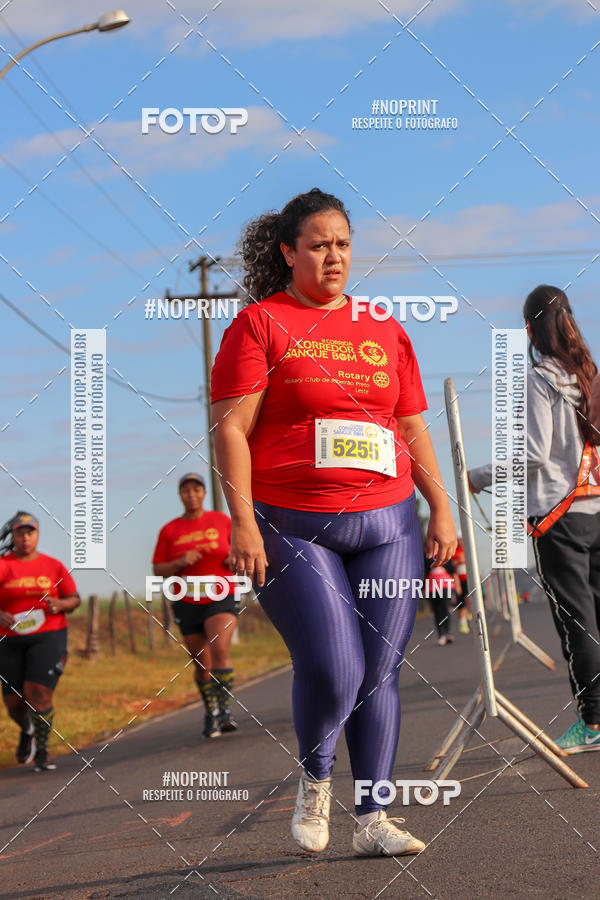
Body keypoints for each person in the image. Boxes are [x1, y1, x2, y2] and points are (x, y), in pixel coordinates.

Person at [211, 188, 456, 856]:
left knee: (381, 673)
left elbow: (410, 426)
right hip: (293, 524)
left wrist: (441, 507)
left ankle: (373, 819)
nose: (333, 257)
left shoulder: (384, 328)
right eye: (318, 245)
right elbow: (232, 429)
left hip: (389, 523)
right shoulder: (261, 324)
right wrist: (243, 522)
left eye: (343, 244)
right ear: (289, 252)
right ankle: (316, 780)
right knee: (336, 667)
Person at [469, 285, 600, 753]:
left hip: (558, 517)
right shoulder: (589, 375)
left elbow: (532, 456)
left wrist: (478, 476)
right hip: (595, 506)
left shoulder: (538, 377)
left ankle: (593, 721)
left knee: (577, 622)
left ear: (529, 328)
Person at [152, 474, 241, 738]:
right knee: (202, 664)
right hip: (186, 601)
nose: (191, 495)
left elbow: (240, 550)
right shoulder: (170, 530)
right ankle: (211, 711)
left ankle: (225, 713)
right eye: (186, 491)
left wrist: (233, 557)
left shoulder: (222, 521)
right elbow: (158, 569)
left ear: (203, 493)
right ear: (180, 495)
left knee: (219, 647)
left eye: (196, 490)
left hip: (220, 595)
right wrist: (180, 561)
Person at [0, 512, 79, 771]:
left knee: (39, 693)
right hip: (9, 638)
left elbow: (74, 598)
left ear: (37, 534)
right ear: (14, 535)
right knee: (14, 703)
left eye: (30, 532)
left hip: (49, 634)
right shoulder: (3, 564)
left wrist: (60, 604)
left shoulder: (53, 566)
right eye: (20, 533)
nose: (25, 537)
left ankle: (43, 753)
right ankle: (27, 729)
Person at [424, 557, 460, 645]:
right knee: (437, 611)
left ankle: (447, 633)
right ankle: (441, 635)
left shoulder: (445, 552)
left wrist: (457, 585)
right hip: (432, 587)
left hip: (445, 585)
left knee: (446, 609)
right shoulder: (426, 555)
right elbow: (423, 572)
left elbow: (452, 571)